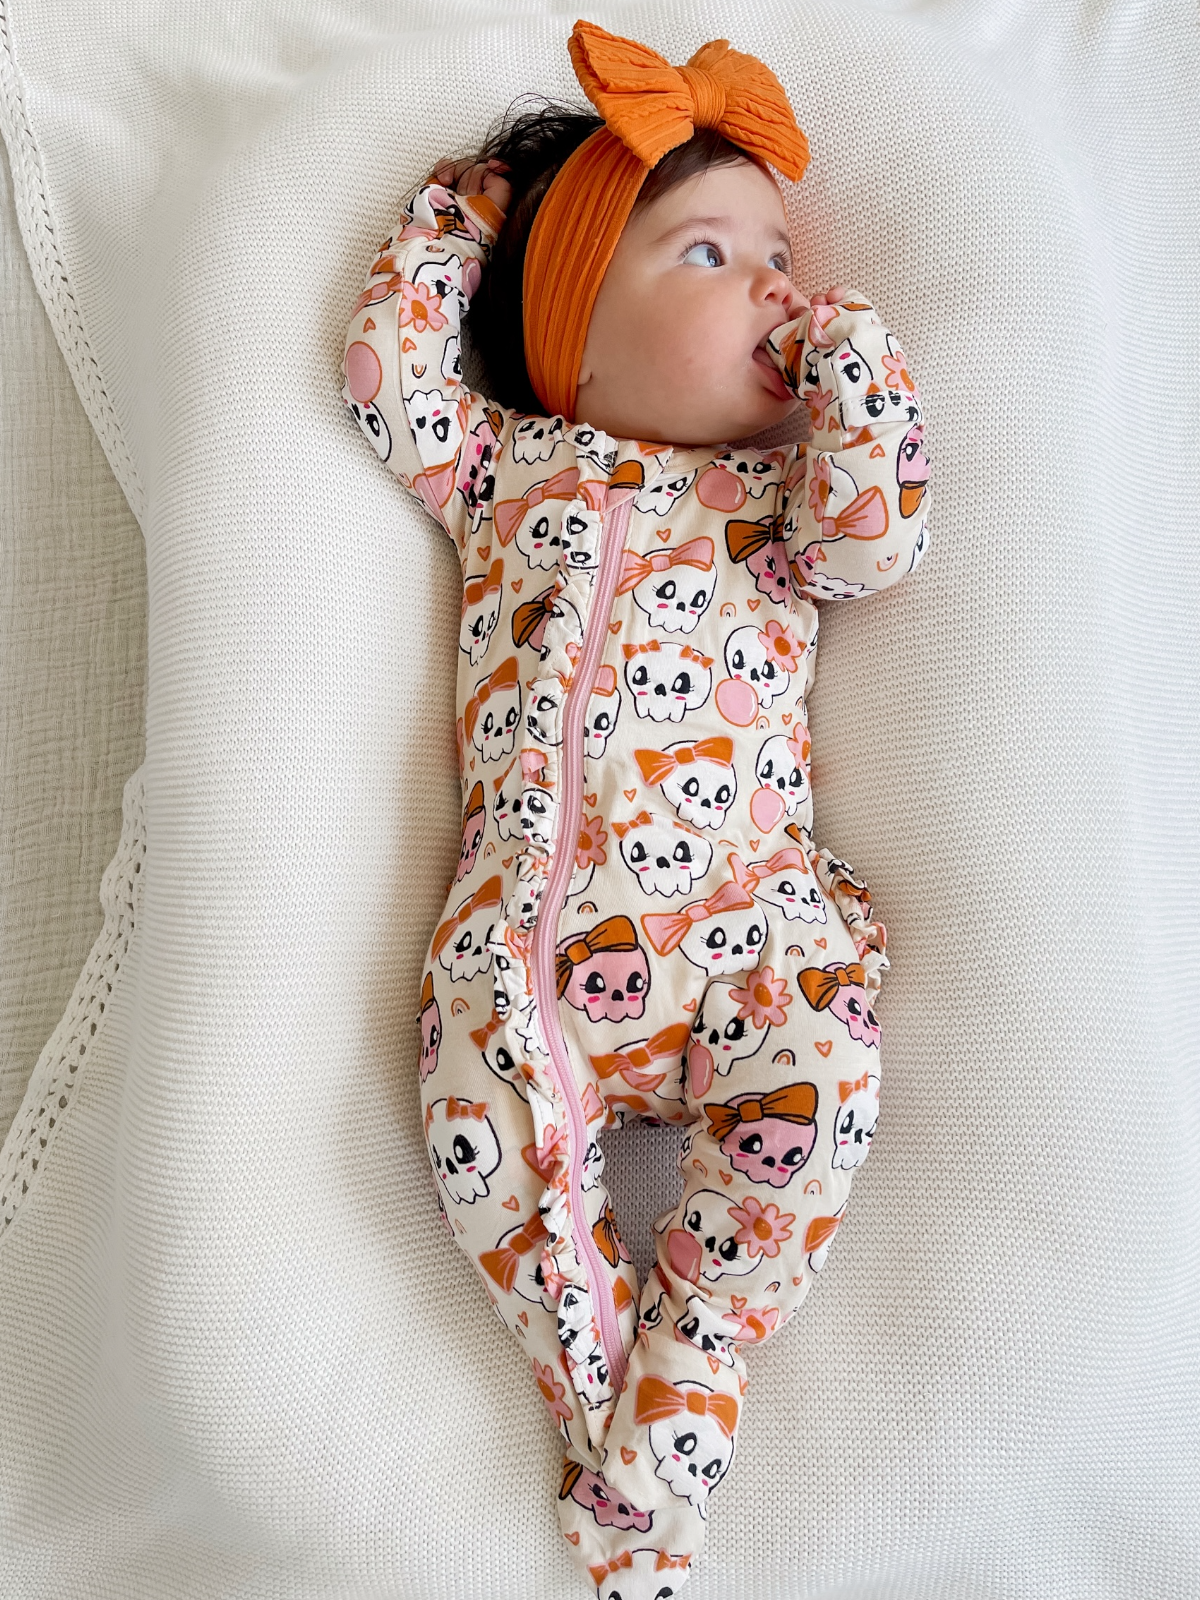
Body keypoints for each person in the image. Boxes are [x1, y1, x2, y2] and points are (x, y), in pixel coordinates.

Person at [342, 19, 931, 1596]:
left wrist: (855, 359)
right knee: (480, 1116)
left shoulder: (777, 504)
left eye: (784, 256)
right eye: (711, 255)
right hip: (532, 947)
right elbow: (389, 376)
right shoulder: (502, 471)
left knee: (826, 1075)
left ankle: (701, 1357)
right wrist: (461, 217)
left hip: (753, 934)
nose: (777, 287)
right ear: (575, 337)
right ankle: (612, 1408)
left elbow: (880, 533)